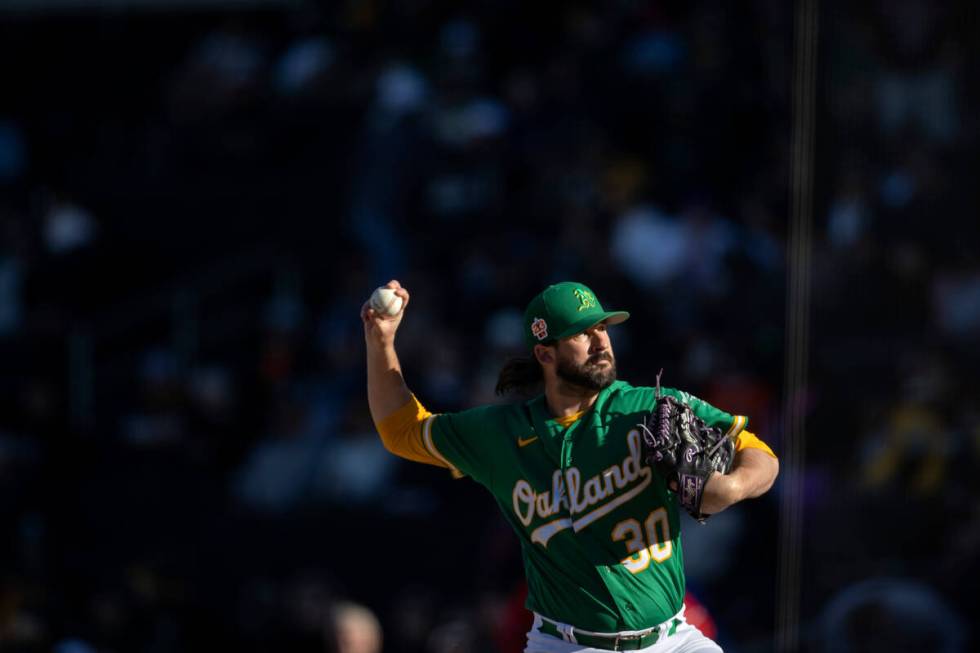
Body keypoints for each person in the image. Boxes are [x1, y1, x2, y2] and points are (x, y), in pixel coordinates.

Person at [362, 280, 779, 653]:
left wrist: (734, 486)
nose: (601, 342)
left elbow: (758, 451)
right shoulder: (501, 435)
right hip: (569, 644)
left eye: (602, 328)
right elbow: (401, 430)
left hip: (672, 640)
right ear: (545, 352)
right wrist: (380, 341)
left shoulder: (647, 407)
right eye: (582, 333)